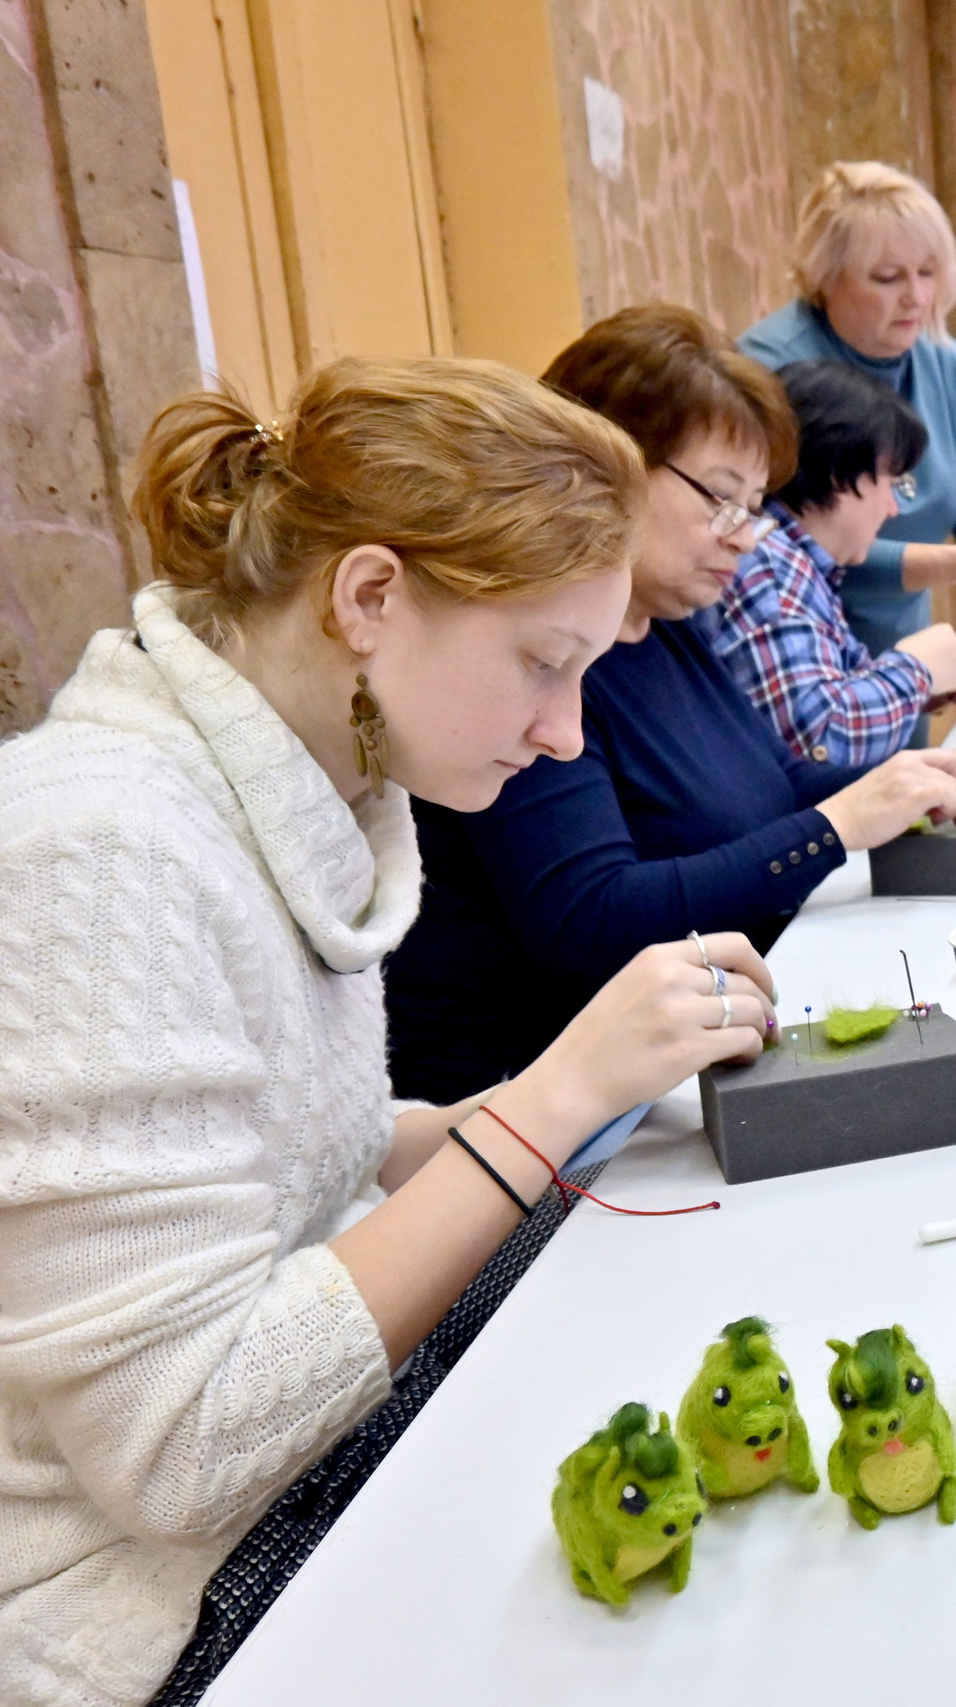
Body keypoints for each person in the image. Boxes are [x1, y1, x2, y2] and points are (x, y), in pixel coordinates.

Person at [0, 359, 786, 1705]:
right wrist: (549, 1100)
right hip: (140, 1615)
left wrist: (605, 1092)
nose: (562, 734)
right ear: (369, 597)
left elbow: (329, 1149)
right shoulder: (100, 847)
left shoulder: (312, 780)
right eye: (546, 663)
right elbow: (185, 1443)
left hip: (276, 1490)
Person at [386, 308, 956, 1104]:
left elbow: (770, 781)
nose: (746, 536)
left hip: (687, 1066)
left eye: (756, 507)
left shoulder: (669, 625)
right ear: (603, 467)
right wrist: (837, 827)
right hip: (549, 1118)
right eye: (723, 502)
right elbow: (591, 921)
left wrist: (917, 774)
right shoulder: (539, 670)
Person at [738, 161, 956, 656]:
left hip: (900, 649)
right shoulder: (768, 371)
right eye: (887, 277)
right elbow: (786, 544)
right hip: (794, 653)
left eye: (928, 273)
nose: (916, 298)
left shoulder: (950, 366)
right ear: (825, 278)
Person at [698, 360, 956, 768]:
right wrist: (916, 672)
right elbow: (821, 741)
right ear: (839, 474)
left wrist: (919, 691)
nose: (891, 508)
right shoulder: (769, 568)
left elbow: (822, 695)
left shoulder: (796, 560)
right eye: (891, 483)